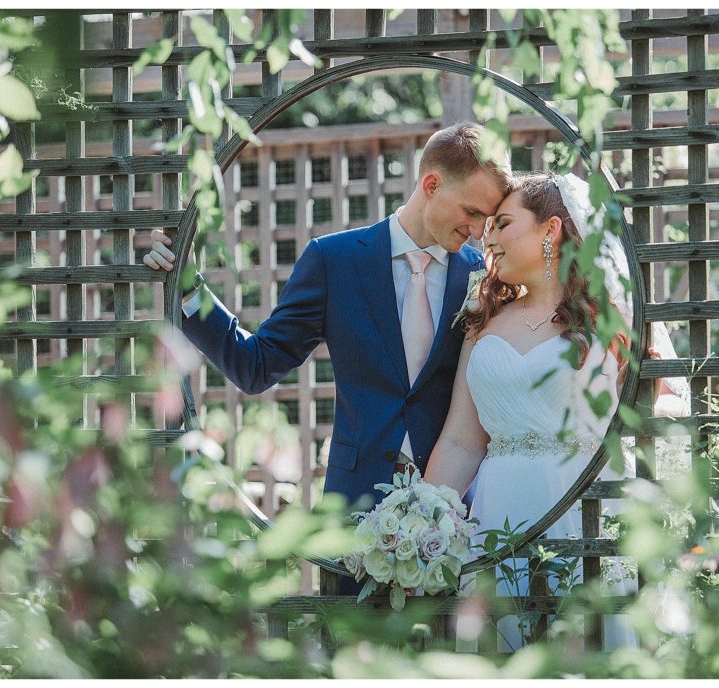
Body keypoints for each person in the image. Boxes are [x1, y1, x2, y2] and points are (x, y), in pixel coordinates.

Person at [144, 122, 511, 592]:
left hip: (458, 518)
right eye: (472, 212)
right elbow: (256, 366)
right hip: (350, 517)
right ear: (431, 184)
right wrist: (191, 290)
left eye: (488, 219)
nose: (481, 231)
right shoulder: (334, 261)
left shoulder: (481, 276)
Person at [424, 171, 689, 652]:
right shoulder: (480, 321)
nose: (489, 236)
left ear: (550, 230)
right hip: (500, 509)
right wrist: (421, 516)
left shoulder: (609, 320)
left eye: (504, 223)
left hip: (583, 503)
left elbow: (666, 399)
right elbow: (462, 440)